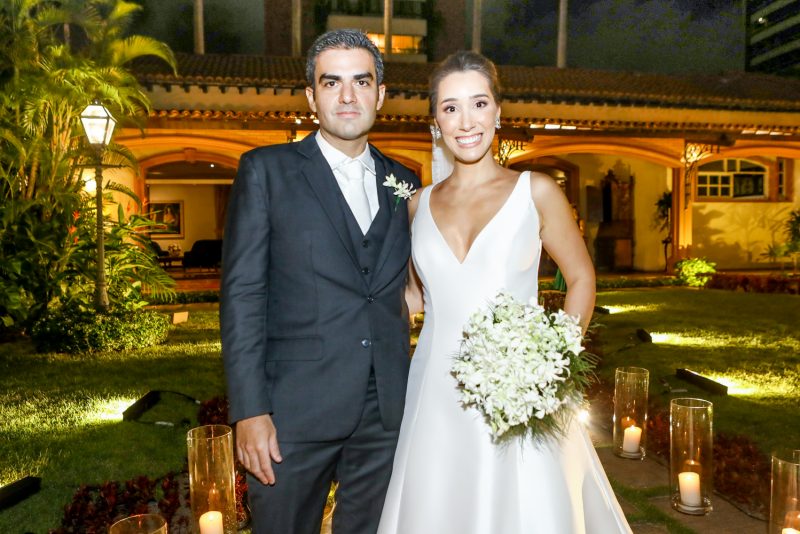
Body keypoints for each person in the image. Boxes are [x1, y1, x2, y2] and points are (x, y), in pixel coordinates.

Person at [378, 51, 631, 534]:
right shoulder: (416, 205)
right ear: (435, 121)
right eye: (450, 108)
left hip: (518, 387)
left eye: (478, 103)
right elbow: (413, 298)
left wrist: (550, 363)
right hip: (435, 389)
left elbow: (581, 278)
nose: (466, 121)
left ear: (497, 111)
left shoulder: (536, 191)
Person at [220, 29, 420, 534]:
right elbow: (243, 295)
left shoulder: (405, 183)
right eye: (332, 83)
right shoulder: (266, 171)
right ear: (311, 97)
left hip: (386, 412)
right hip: (292, 410)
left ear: (381, 94)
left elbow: (409, 285)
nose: (348, 96)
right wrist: (250, 411)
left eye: (361, 81)